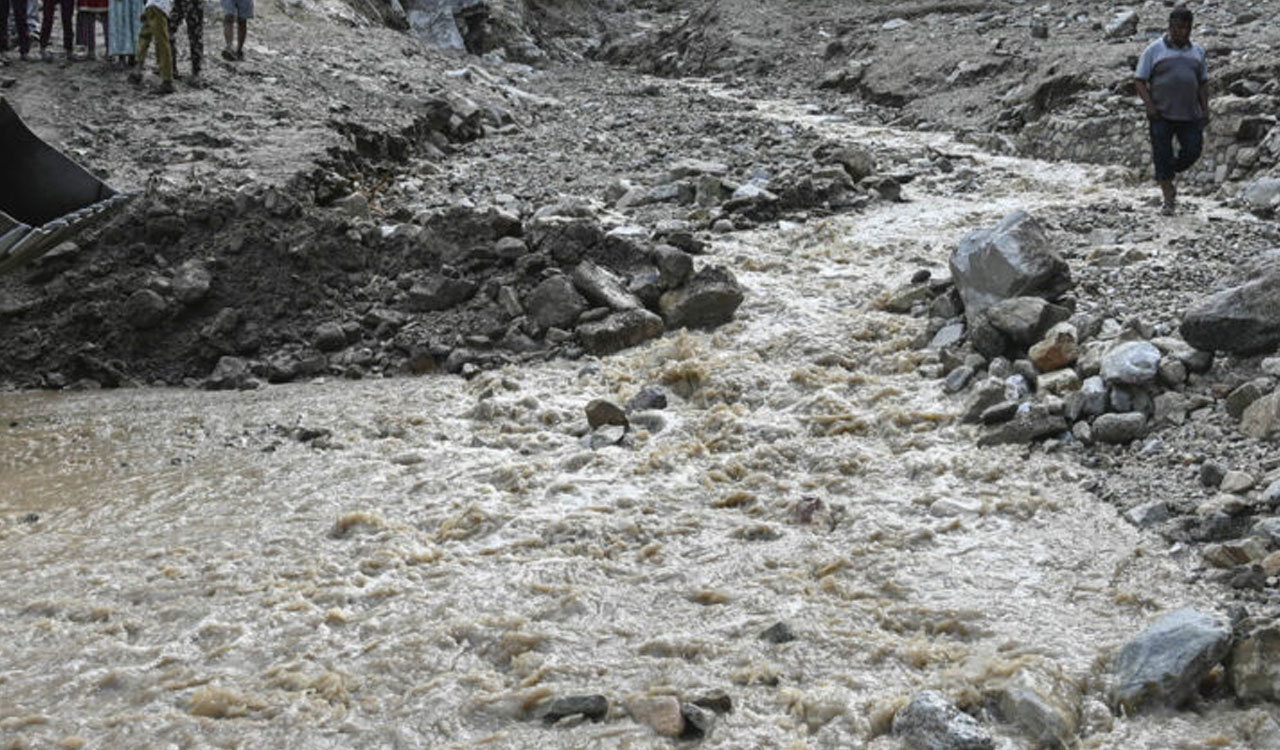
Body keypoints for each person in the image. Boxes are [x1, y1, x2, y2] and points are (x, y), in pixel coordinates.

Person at [1134, 6, 1209, 216]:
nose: (1180, 32)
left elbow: (1203, 82)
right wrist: (1149, 106)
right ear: (1170, 26)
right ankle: (1168, 197)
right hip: (1161, 114)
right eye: (1176, 27)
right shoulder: (1154, 50)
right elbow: (1140, 80)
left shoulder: (1198, 52)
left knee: (1193, 150)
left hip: (1190, 114)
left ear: (1190, 28)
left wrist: (1206, 109)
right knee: (1161, 154)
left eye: (1185, 28)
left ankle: (1169, 170)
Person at [128, 0, 172, 93]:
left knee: (160, 42)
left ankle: (167, 79)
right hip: (154, 6)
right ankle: (138, 69)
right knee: (146, 37)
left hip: (157, 5)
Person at [167, 0, 201, 83]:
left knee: (195, 35)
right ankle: (171, 68)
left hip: (194, 3)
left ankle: (196, 72)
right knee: (168, 30)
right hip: (179, 2)